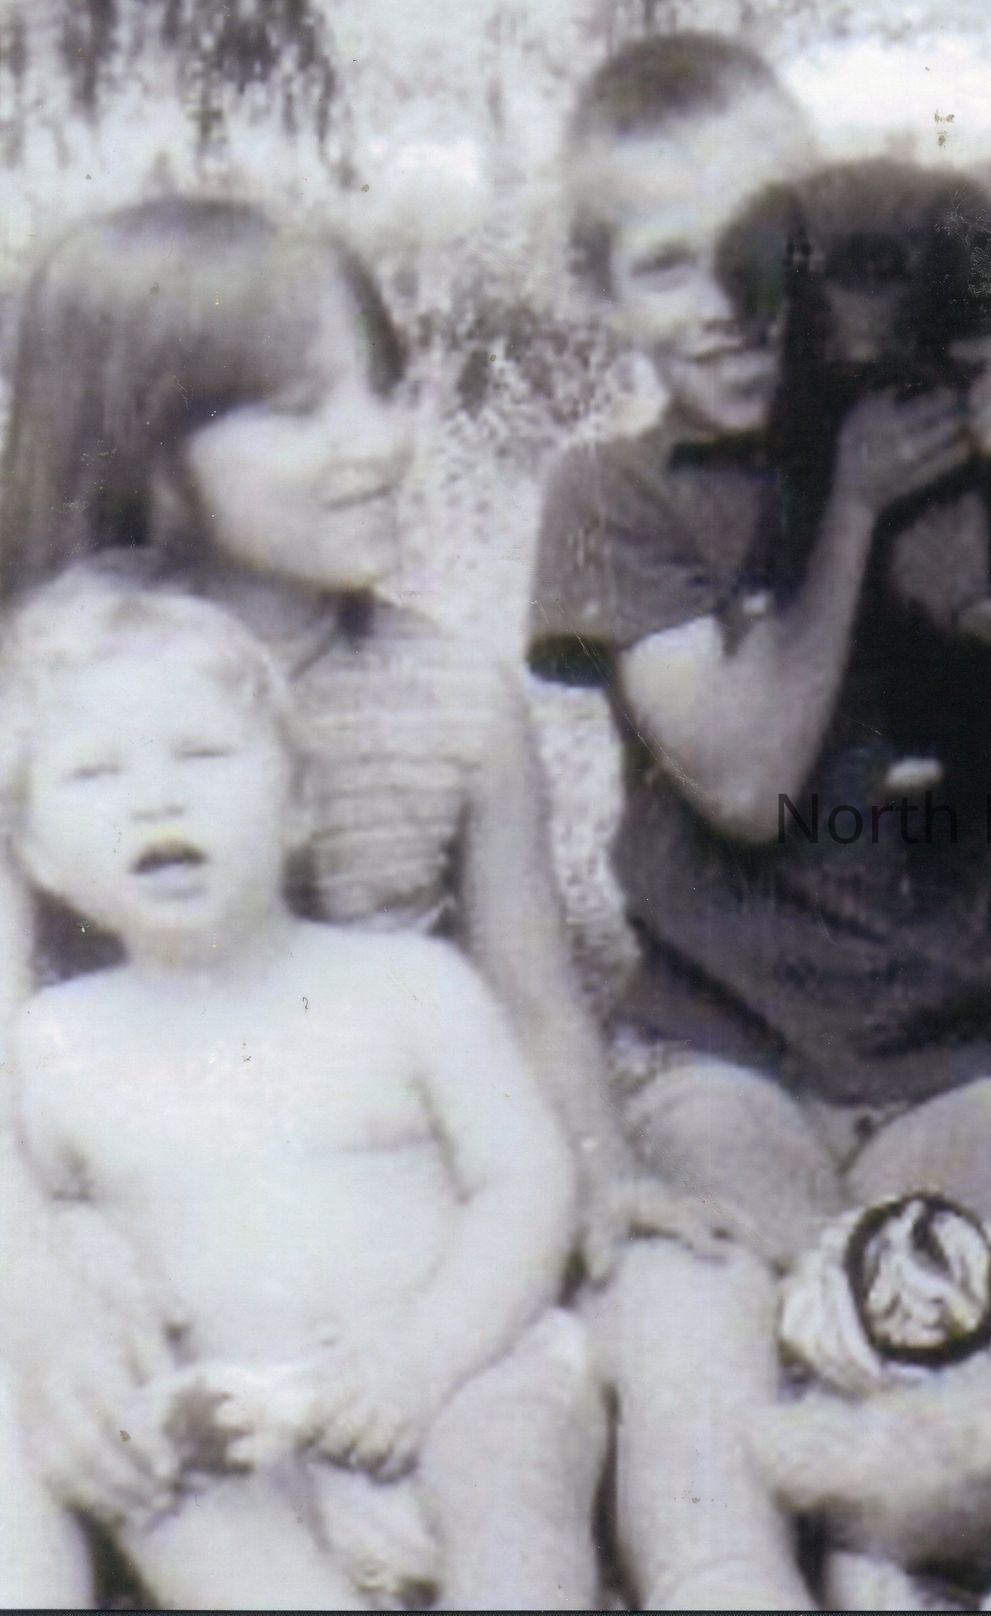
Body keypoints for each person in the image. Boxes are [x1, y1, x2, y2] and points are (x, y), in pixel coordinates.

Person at [0, 195, 677, 1605]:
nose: (378, 441)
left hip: (406, 1238)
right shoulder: (39, 715)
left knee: (573, 1404)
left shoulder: (448, 699)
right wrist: (50, 1304)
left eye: (383, 390)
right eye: (305, 409)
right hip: (142, 1242)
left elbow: (535, 995)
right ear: (150, 453)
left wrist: (606, 1179)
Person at [532, 31, 991, 1607]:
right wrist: (846, 517)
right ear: (604, 293)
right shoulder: (622, 492)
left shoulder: (977, 462)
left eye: (768, 251)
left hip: (959, 1074)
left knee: (954, 1407)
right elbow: (743, 775)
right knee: (707, 1359)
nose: (730, 305)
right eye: (671, 266)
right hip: (724, 1062)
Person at [1, 579, 586, 1608]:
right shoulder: (55, 1047)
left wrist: (428, 1351)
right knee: (159, 1479)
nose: (156, 797)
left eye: (203, 754)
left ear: (300, 805)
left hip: (457, 1367)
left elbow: (529, 1180)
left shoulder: (405, 985)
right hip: (239, 1422)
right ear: (40, 855)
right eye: (95, 772)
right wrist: (88, 1253)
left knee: (512, 1473)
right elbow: (33, 1227)